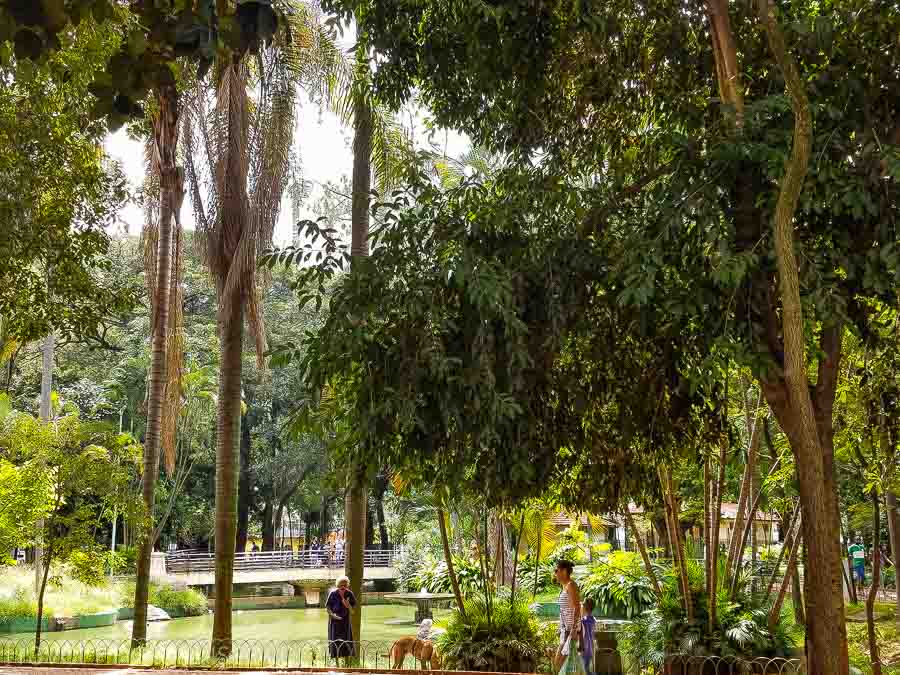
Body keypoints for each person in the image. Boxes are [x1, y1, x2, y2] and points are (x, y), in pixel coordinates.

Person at [554, 559, 581, 670]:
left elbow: (577, 607)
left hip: (570, 630)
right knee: (559, 663)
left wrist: (574, 629)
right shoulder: (565, 587)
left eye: (557, 570)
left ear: (564, 571)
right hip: (566, 629)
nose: (555, 574)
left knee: (558, 662)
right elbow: (565, 610)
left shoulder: (571, 585)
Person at [326, 575, 357, 663]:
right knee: (335, 642)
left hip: (345, 622)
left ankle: (347, 664)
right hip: (334, 622)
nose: (343, 587)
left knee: (346, 641)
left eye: (345, 585)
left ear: (347, 585)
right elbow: (327, 608)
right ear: (337, 585)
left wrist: (348, 605)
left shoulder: (349, 594)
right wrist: (333, 615)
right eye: (340, 585)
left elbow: (353, 612)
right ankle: (337, 664)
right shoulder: (332, 594)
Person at [579, 598, 596, 675]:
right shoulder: (593, 619)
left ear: (584, 608)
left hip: (583, 646)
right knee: (587, 667)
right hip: (590, 647)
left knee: (584, 668)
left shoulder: (583, 621)